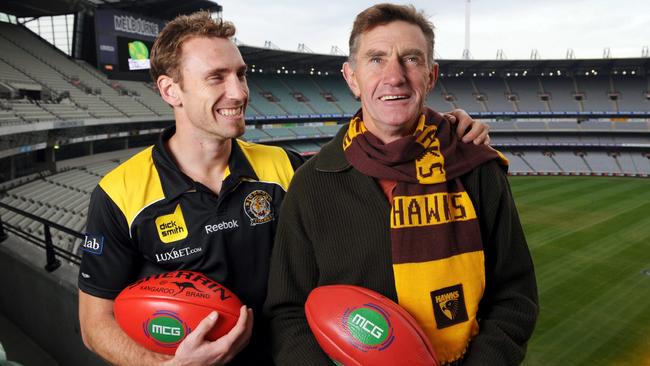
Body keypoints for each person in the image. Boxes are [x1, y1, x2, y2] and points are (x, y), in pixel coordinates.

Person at [77, 10, 490, 366]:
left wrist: (446, 131)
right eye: (216, 78)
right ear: (171, 90)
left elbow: (373, 136)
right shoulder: (119, 194)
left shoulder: (284, 167)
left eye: (240, 74)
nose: (238, 93)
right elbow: (95, 325)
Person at [264, 4, 538, 366]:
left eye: (411, 59)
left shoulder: (476, 168)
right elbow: (287, 313)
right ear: (352, 78)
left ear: (431, 75)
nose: (394, 76)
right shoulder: (312, 184)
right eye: (376, 59)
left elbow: (515, 297)